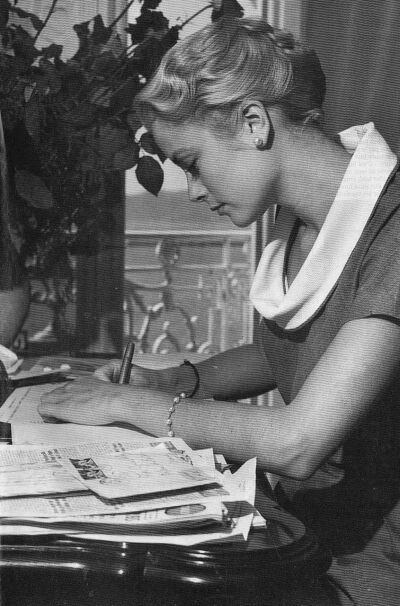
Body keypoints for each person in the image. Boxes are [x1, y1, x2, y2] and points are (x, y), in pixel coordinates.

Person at [39, 16, 400, 606]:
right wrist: (180, 379)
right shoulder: (302, 223)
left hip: (376, 558)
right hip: (316, 521)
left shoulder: (394, 228)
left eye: (194, 162)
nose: (193, 190)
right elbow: (305, 347)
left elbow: (299, 441)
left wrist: (133, 404)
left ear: (254, 123)